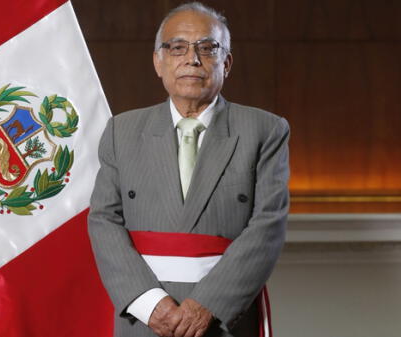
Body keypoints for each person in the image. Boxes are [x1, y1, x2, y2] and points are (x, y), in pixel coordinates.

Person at [88, 2, 290, 337]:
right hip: (144, 316)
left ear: (226, 62)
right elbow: (103, 220)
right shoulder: (121, 131)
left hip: (224, 315)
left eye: (208, 48)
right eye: (177, 47)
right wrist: (150, 303)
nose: (192, 59)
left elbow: (268, 226)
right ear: (158, 61)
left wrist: (207, 305)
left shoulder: (265, 130)